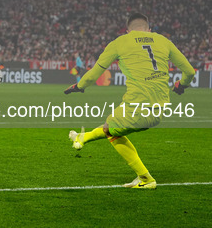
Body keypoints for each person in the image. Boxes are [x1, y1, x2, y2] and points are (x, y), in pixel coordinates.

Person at [64, 13, 195, 189]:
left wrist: (79, 86)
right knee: (110, 125)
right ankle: (82, 137)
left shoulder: (120, 43)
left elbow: (94, 73)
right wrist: (181, 85)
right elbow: (190, 72)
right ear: (149, 29)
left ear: (128, 30)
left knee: (111, 131)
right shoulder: (163, 41)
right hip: (160, 108)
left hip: (137, 105)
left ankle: (146, 179)